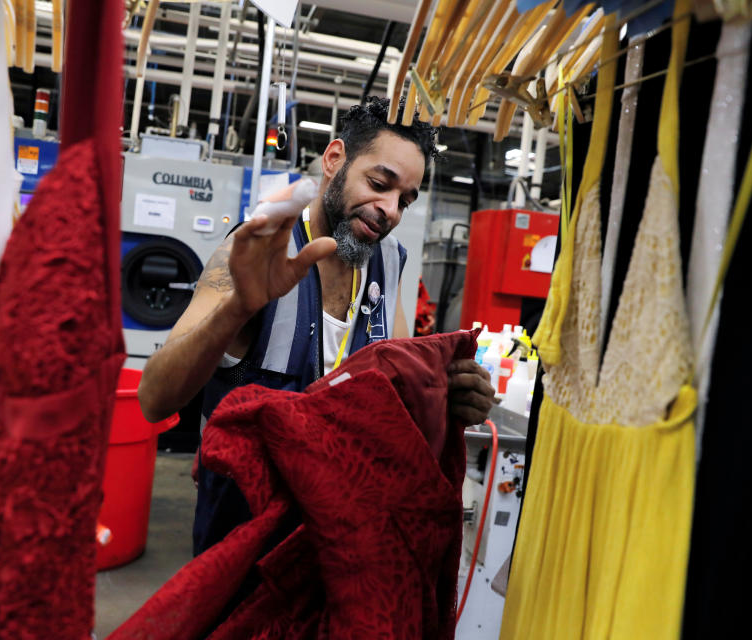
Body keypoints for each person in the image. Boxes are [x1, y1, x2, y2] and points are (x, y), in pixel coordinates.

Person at [138, 96, 496, 555]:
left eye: (404, 200)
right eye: (378, 183)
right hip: (247, 539)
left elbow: (399, 394)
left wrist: (449, 396)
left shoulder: (387, 263)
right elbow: (154, 399)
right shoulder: (256, 253)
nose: (390, 210)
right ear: (334, 160)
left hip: (340, 537)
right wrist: (238, 309)